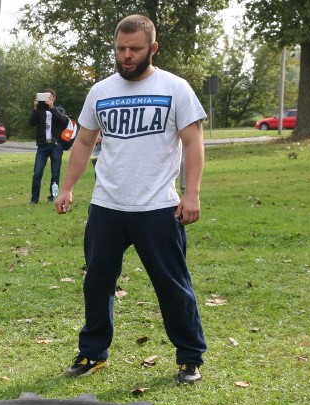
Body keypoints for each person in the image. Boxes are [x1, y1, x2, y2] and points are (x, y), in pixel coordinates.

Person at [54, 14, 207, 385]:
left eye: (134, 48)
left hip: (157, 208)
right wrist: (68, 186)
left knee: (172, 285)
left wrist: (192, 194)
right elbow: (84, 142)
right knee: (97, 282)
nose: (126, 55)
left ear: (152, 48)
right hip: (107, 206)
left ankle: (190, 358)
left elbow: (192, 143)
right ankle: (93, 353)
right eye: (121, 48)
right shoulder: (101, 92)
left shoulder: (176, 88)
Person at [29, 88, 70, 204]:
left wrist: (52, 108)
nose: (47, 99)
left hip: (56, 145)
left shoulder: (59, 110)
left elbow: (64, 121)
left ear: (53, 98)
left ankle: (54, 197)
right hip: (42, 145)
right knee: (37, 173)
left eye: (49, 97)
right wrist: (35, 108)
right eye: (45, 97)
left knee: (55, 173)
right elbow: (31, 123)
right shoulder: (39, 111)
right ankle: (34, 199)